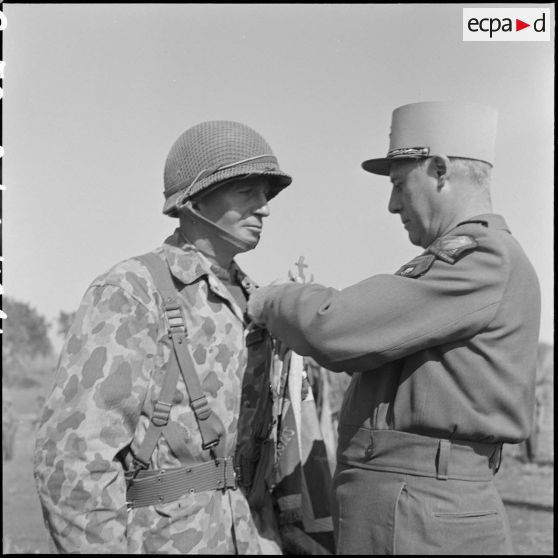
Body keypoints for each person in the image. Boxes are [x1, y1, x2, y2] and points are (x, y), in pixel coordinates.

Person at [247, 101, 541, 555]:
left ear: (440, 170)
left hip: (421, 509)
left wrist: (270, 299)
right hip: (415, 502)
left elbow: (335, 327)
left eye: (400, 185)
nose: (392, 204)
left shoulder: (482, 259)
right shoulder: (465, 259)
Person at [33, 120, 295, 554]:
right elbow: (73, 461)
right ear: (195, 200)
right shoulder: (134, 292)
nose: (264, 207)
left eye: (266, 194)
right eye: (247, 192)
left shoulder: (256, 304)